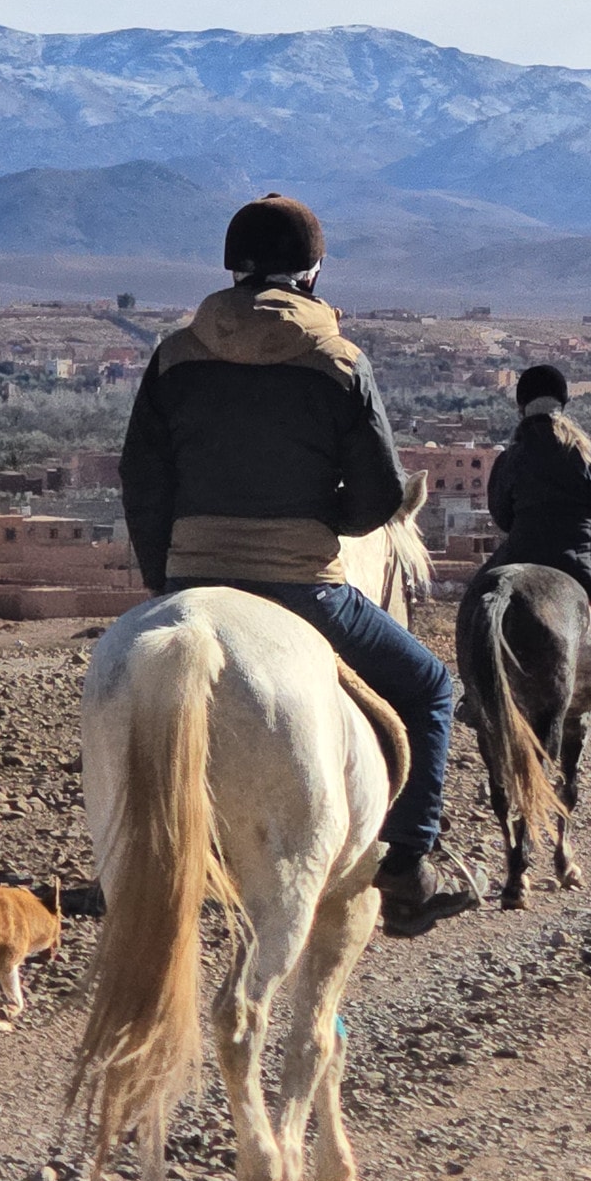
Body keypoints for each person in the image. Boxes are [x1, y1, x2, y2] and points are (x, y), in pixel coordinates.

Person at [118, 192, 454, 918]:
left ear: (233, 267)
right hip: (304, 587)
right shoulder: (337, 361)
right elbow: (380, 497)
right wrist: (317, 514)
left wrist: (167, 581)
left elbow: (142, 480)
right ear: (313, 271)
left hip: (190, 578)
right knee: (430, 690)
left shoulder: (174, 356)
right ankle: (406, 859)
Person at [486, 365, 591, 733]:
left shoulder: (510, 458)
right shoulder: (583, 451)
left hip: (523, 550)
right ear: (563, 403)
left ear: (522, 406)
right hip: (584, 552)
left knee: (480, 604)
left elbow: (501, 514)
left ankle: (476, 694)